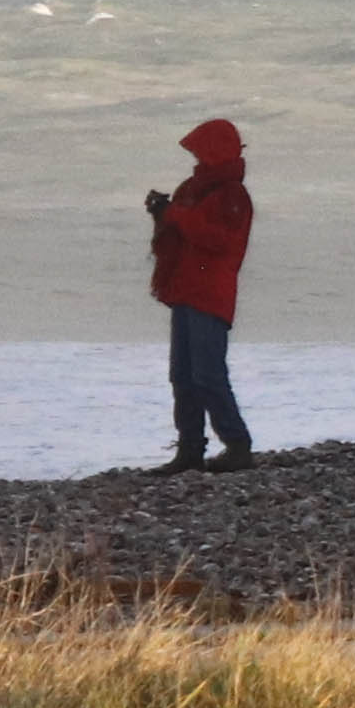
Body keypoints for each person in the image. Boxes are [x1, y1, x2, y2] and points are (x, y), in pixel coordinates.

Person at [144, 118, 257, 471]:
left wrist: (174, 214)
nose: (197, 158)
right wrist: (161, 213)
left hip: (211, 292)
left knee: (207, 372)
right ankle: (190, 449)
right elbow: (179, 232)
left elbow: (217, 240)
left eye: (201, 151)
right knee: (182, 374)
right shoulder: (194, 188)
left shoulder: (233, 195)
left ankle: (237, 444)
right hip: (186, 288)